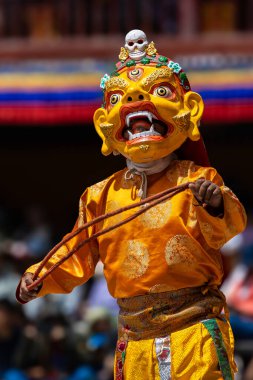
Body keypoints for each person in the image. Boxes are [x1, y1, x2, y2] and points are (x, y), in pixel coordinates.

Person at [17, 30, 246, 379]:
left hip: (195, 332)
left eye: (161, 92)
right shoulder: (99, 197)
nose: (135, 99)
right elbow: (76, 253)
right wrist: (39, 278)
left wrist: (213, 205)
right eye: (118, 99)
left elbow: (230, 226)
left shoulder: (196, 180)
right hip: (134, 343)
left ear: (190, 110)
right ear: (103, 125)